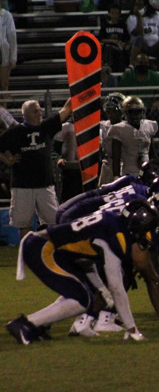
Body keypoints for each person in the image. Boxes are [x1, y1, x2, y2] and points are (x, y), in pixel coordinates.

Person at [6, 200, 159, 344]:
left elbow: (86, 260)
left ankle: (37, 327)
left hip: (46, 246)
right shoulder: (115, 237)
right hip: (44, 249)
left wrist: (100, 288)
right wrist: (132, 329)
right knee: (82, 300)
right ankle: (25, 325)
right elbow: (117, 289)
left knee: (82, 293)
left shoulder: (113, 223)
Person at [0, 99, 71, 239]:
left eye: (40, 110)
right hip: (22, 186)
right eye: (35, 111)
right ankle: (27, 256)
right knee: (24, 224)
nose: (40, 113)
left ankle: (49, 255)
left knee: (53, 221)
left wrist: (81, 88)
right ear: (25, 115)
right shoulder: (15, 132)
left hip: (45, 185)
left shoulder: (46, 126)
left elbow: (66, 109)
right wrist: (8, 160)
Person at [109, 95, 159, 179]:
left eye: (138, 111)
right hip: (128, 172)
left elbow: (152, 151)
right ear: (125, 112)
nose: (136, 115)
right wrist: (116, 176)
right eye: (132, 112)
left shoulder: (148, 125)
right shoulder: (119, 129)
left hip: (147, 171)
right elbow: (116, 157)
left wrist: (156, 168)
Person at [118, 53, 159, 120]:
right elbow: (121, 94)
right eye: (140, 62)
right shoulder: (127, 75)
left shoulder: (155, 76)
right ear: (135, 63)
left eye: (145, 63)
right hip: (130, 108)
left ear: (148, 64)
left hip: (149, 108)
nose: (143, 65)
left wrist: (158, 102)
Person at [126, 0, 159, 68]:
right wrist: (139, 17)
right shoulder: (131, 18)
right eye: (136, 5)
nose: (138, 7)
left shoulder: (156, 14)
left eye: (140, 5)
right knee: (139, 38)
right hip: (142, 46)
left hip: (156, 45)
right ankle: (131, 65)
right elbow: (139, 33)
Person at [99, 92, 126, 186]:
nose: (110, 114)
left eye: (113, 111)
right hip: (107, 164)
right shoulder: (104, 125)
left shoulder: (127, 126)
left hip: (124, 164)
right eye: (108, 111)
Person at [53, 120, 83, 202]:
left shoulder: (93, 125)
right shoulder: (65, 127)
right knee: (70, 201)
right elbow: (54, 150)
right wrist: (58, 159)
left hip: (89, 170)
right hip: (70, 171)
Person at [98, 3, 129, 72]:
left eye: (116, 13)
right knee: (109, 49)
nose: (114, 15)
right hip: (107, 49)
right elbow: (101, 39)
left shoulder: (122, 25)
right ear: (109, 14)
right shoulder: (105, 25)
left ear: (119, 14)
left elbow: (126, 38)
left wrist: (124, 44)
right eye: (112, 13)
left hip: (119, 49)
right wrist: (112, 41)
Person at [0, 7, 16, 105]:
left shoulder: (6, 16)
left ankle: (3, 112)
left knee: (3, 86)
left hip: (2, 55)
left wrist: (13, 57)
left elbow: (12, 36)